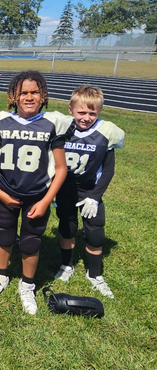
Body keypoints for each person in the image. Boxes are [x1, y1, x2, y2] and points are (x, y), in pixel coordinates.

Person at [0, 71, 72, 315]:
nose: (29, 97)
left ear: (43, 95)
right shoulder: (1, 121)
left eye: (35, 92)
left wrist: (46, 200)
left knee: (31, 241)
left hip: (37, 193)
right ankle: (1, 276)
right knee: (5, 236)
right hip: (6, 190)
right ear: (14, 96)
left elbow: (61, 168)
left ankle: (27, 284)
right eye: (23, 93)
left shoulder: (52, 123)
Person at [54, 85, 124, 298]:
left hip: (90, 190)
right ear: (71, 110)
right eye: (81, 112)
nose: (86, 118)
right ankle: (67, 265)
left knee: (95, 233)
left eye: (92, 113)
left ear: (99, 112)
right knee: (67, 227)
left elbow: (109, 169)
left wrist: (94, 197)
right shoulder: (63, 128)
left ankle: (94, 274)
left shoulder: (106, 132)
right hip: (65, 187)